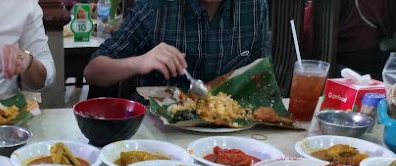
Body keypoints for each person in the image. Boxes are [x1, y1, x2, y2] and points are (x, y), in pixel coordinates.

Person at [84, 0, 270, 90]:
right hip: (161, 140)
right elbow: (93, 71)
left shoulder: (253, 7)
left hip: (232, 138)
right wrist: (141, 61)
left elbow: (261, 80)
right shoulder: (156, 7)